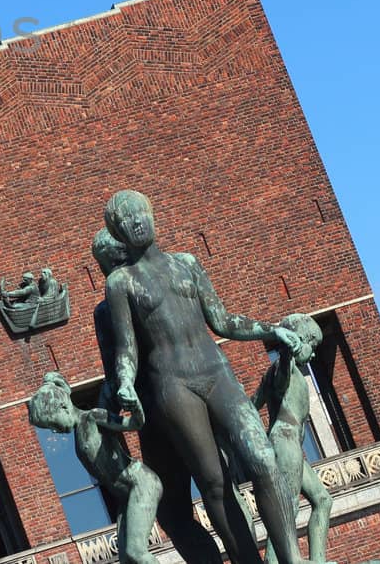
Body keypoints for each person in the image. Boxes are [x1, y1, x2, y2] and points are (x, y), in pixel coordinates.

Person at [103, 190, 317, 564]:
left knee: (263, 460)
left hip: (217, 372)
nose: (137, 221)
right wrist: (123, 382)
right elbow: (126, 348)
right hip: (173, 386)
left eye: (141, 212)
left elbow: (222, 320)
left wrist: (271, 331)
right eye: (128, 219)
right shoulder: (121, 283)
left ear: (153, 213)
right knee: (214, 482)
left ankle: (291, 559)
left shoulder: (187, 263)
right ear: (119, 231)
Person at [91, 229, 220, 564]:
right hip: (188, 401)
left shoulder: (107, 310)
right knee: (217, 490)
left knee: (177, 509)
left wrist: (111, 408)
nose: (108, 271)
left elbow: (114, 373)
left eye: (107, 262)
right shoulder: (170, 277)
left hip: (154, 414)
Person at [28, 371, 161, 564]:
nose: (54, 430)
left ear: (63, 407)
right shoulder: (78, 435)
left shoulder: (93, 416)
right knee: (127, 561)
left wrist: (136, 407)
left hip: (141, 484)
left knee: (136, 552)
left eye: (52, 423)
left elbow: (134, 423)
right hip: (126, 497)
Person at [252, 313, 333, 564]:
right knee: (288, 510)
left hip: (290, 446)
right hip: (285, 443)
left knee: (322, 500)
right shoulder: (281, 368)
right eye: (313, 346)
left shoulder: (279, 371)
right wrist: (287, 353)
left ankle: (317, 560)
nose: (314, 354)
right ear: (299, 340)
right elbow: (281, 378)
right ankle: (274, 561)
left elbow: (251, 405)